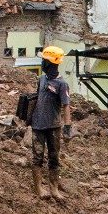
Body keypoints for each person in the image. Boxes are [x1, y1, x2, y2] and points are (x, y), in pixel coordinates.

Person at [30, 46, 71, 201]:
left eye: (44, 61)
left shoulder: (62, 84)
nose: (43, 63)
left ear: (51, 63)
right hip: (37, 125)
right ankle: (39, 188)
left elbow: (66, 105)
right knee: (37, 157)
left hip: (53, 126)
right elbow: (36, 97)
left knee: (54, 157)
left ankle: (54, 189)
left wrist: (67, 127)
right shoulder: (42, 79)